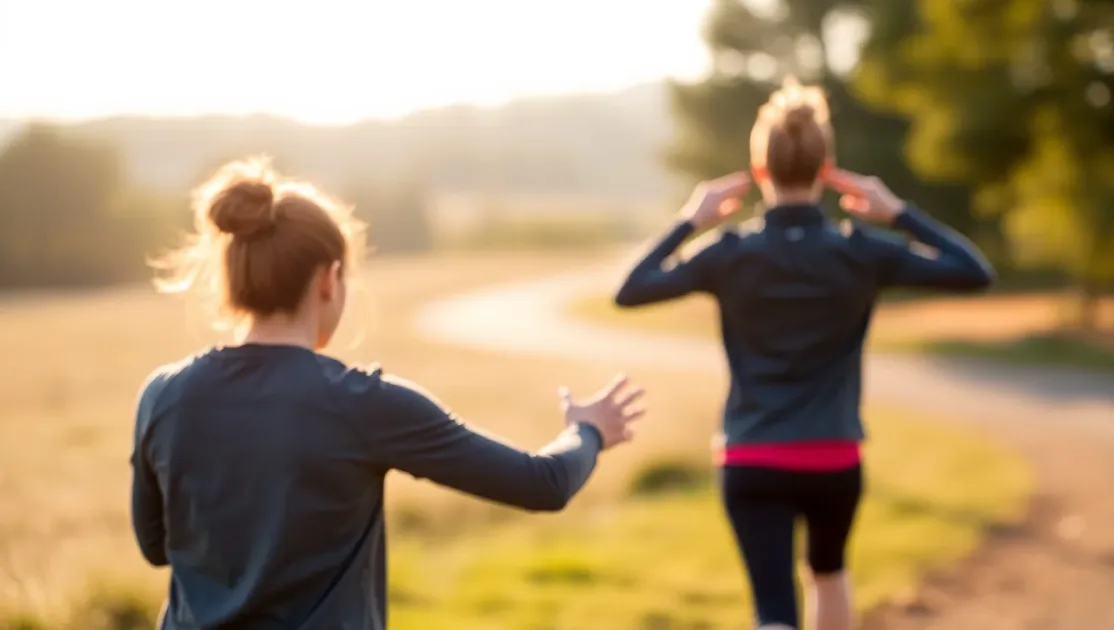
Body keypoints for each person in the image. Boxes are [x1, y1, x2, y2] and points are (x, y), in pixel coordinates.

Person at [131, 157, 645, 630]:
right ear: (329, 280)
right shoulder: (363, 403)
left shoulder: (164, 394)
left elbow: (158, 547)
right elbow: (542, 484)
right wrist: (588, 430)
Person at [612, 77, 994, 630]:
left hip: (750, 457)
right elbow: (974, 273)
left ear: (760, 171)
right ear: (826, 168)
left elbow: (632, 290)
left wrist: (690, 221)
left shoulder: (729, 253)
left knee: (773, 609)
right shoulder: (860, 251)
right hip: (834, 457)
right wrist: (899, 213)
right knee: (830, 574)